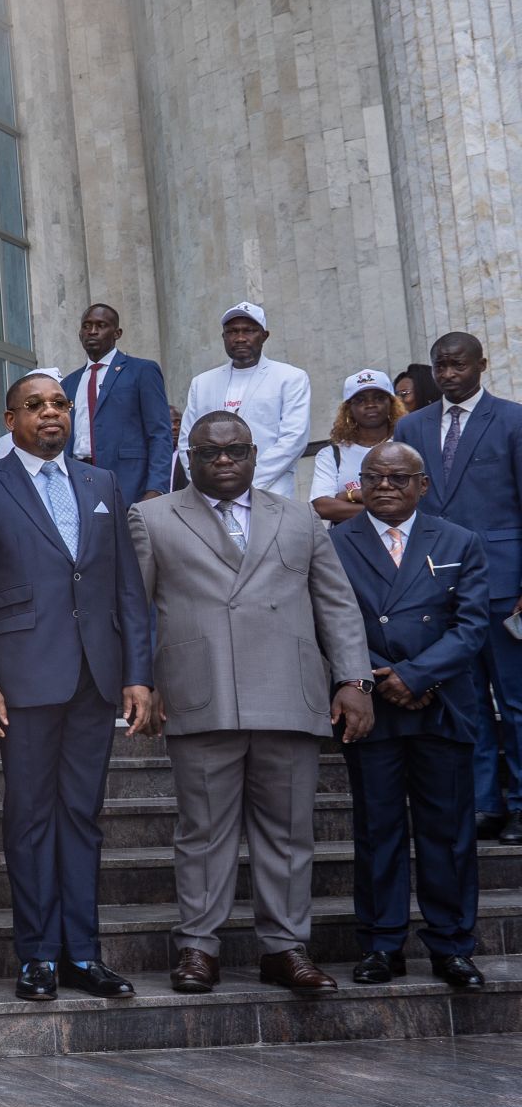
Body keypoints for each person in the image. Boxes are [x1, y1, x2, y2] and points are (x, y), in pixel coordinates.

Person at [129, 411, 373, 994]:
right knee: (203, 832)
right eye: (209, 452)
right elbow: (136, 610)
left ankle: (285, 948)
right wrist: (141, 681)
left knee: (288, 832)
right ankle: (198, 947)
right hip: (199, 692)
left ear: (254, 455)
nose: (223, 460)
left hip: (288, 692)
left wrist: (354, 680)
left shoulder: (299, 516)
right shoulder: (152, 517)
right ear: (188, 457)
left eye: (235, 450)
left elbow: (335, 603)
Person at [0, 373, 153, 1002]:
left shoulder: (101, 483)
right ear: (10, 419)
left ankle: (84, 955)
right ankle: (37, 955)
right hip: (22, 678)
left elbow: (126, 586)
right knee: (31, 816)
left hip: (96, 676)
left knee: (83, 816)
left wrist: (138, 673)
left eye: (59, 404)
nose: (50, 414)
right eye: (34, 405)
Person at [328, 442, 490, 990]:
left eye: (399, 478)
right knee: (378, 829)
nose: (385, 486)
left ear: (423, 484)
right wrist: (381, 679)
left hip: (442, 705)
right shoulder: (335, 542)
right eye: (373, 477)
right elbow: (329, 620)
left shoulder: (460, 540)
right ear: (359, 485)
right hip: (369, 704)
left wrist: (417, 677)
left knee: (448, 832)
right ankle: (382, 944)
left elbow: (471, 624)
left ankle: (452, 945)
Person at [394, 332, 522, 845]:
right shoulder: (411, 426)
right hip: (437, 585)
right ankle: (485, 803)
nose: (448, 374)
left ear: (481, 365)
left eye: (458, 365)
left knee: (515, 699)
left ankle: (521, 803)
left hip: (503, 585)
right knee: (463, 699)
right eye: (440, 366)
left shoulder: (513, 420)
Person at [179, 301, 310, 499]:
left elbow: (293, 439)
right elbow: (187, 442)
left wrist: (245, 483)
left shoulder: (290, 378)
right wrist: (206, 484)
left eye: (249, 331)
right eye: (232, 331)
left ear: (264, 335)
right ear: (223, 337)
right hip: (211, 495)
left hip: (269, 489)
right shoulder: (202, 383)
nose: (240, 338)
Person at [60, 303, 173, 503]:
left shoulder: (142, 371)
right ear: (79, 334)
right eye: (86, 326)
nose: (92, 331)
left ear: (117, 333)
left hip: (129, 486)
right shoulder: (68, 383)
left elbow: (159, 433)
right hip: (77, 483)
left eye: (101, 325)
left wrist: (157, 487)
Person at [311, 369, 406, 523]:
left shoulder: (406, 444)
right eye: (360, 400)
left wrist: (347, 496)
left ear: (391, 404)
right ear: (349, 409)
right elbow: (321, 506)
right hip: (352, 536)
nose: (370, 405)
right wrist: (384, 510)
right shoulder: (331, 454)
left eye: (379, 398)